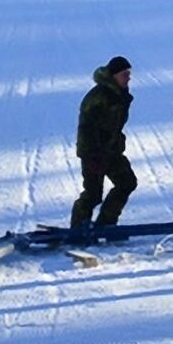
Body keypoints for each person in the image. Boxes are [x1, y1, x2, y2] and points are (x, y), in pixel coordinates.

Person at [71, 55, 138, 229]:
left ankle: (106, 224)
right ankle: (78, 229)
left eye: (128, 74)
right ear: (114, 76)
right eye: (124, 74)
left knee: (127, 182)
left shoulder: (121, 95)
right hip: (93, 152)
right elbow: (86, 128)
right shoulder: (98, 96)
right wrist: (93, 154)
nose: (128, 77)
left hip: (111, 151)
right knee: (93, 194)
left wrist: (117, 143)